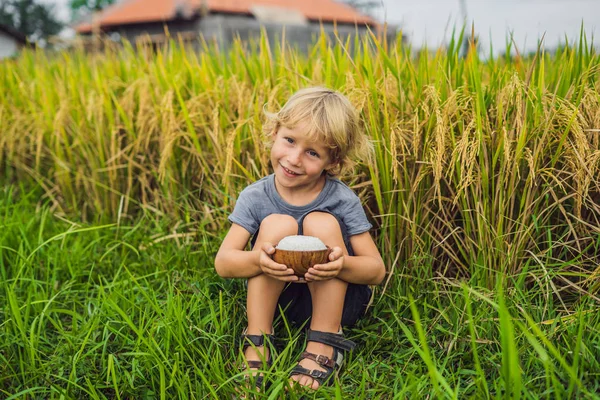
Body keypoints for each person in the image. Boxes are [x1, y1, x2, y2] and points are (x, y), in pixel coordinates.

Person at [214, 87, 385, 391]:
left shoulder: (342, 200)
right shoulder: (255, 196)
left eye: (312, 153)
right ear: (275, 131)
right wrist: (259, 260)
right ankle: (258, 339)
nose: (293, 159)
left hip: (338, 300)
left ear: (332, 162)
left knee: (323, 222)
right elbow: (224, 263)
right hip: (279, 300)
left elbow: (375, 270)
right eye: (290, 140)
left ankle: (324, 342)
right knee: (277, 224)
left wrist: (340, 265)